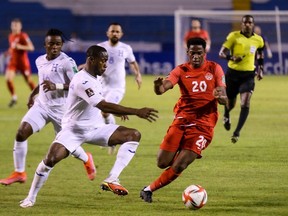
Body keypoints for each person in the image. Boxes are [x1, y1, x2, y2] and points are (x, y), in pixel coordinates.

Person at [19, 45, 158, 208]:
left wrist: (118, 112)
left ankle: (112, 178)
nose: (106, 65)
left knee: (133, 135)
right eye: (103, 61)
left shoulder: (95, 77)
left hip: (95, 128)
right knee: (50, 160)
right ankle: (31, 198)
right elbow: (102, 105)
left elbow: (99, 101)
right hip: (73, 130)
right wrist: (137, 111)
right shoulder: (82, 80)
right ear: (91, 60)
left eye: (107, 61)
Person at [0, 28, 95, 186]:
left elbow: (75, 84)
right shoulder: (39, 60)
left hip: (62, 111)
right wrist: (33, 94)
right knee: (21, 133)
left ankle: (87, 158)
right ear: (45, 45)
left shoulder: (67, 62)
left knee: (68, 147)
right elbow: (43, 81)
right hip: (42, 106)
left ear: (62, 44)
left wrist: (56, 86)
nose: (54, 47)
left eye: (58, 44)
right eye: (51, 44)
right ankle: (19, 172)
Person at [140, 37, 227, 203]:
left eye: (199, 53)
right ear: (187, 52)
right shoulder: (181, 70)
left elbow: (224, 98)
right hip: (182, 121)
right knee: (161, 162)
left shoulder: (214, 69)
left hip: (203, 126)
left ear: (204, 53)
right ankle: (177, 158)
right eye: (192, 53)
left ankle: (148, 189)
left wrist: (220, 96)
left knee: (180, 164)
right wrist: (157, 86)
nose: (195, 56)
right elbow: (162, 88)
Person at [219, 15, 264, 143]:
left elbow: (260, 54)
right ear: (242, 24)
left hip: (249, 75)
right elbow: (221, 53)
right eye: (245, 23)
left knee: (245, 102)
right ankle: (227, 114)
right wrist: (232, 58)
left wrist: (260, 69)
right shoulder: (233, 36)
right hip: (232, 74)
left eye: (250, 22)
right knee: (230, 103)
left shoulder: (258, 40)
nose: (247, 25)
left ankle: (237, 132)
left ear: (253, 24)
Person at [98, 22, 142, 154]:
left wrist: (138, 75)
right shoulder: (100, 47)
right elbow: (91, 63)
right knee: (101, 114)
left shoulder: (126, 48)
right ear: (108, 33)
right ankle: (110, 138)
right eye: (112, 31)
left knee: (105, 111)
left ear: (121, 34)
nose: (115, 33)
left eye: (117, 31)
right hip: (100, 86)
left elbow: (133, 63)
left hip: (117, 88)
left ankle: (111, 138)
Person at [5, 18, 36, 107]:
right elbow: (12, 47)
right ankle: (14, 97)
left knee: (28, 80)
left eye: (16, 25)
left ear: (20, 26)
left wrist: (20, 46)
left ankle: (36, 97)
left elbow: (31, 47)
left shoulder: (23, 36)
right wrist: (9, 51)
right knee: (8, 79)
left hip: (23, 62)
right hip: (13, 62)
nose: (14, 27)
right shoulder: (10, 36)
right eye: (13, 25)